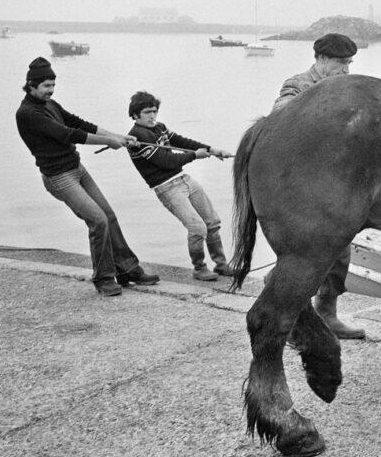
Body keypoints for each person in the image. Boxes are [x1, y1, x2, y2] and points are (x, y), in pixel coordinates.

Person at [15, 57, 159, 297]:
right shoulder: (28, 113)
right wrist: (109, 142)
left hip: (77, 169)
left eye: (53, 85)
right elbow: (67, 134)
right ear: (31, 85)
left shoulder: (50, 105)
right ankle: (103, 278)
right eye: (46, 86)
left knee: (109, 216)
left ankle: (127, 270)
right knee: (98, 220)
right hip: (59, 177)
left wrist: (118, 136)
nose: (51, 90)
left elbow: (79, 123)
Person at [270, 33, 364, 339]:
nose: (346, 70)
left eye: (349, 63)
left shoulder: (345, 89)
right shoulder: (298, 85)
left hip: (334, 186)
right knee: (303, 256)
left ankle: (327, 313)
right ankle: (284, 308)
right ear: (321, 60)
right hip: (301, 188)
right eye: (340, 63)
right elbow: (280, 118)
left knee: (341, 253)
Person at [126, 91, 234, 282]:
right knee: (197, 227)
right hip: (166, 188)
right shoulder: (136, 138)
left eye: (154, 111)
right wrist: (195, 155)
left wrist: (211, 150)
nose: (153, 116)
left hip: (184, 179)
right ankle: (199, 268)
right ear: (135, 114)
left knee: (212, 222)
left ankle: (221, 265)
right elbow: (165, 161)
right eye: (147, 112)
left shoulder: (160, 127)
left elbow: (182, 142)